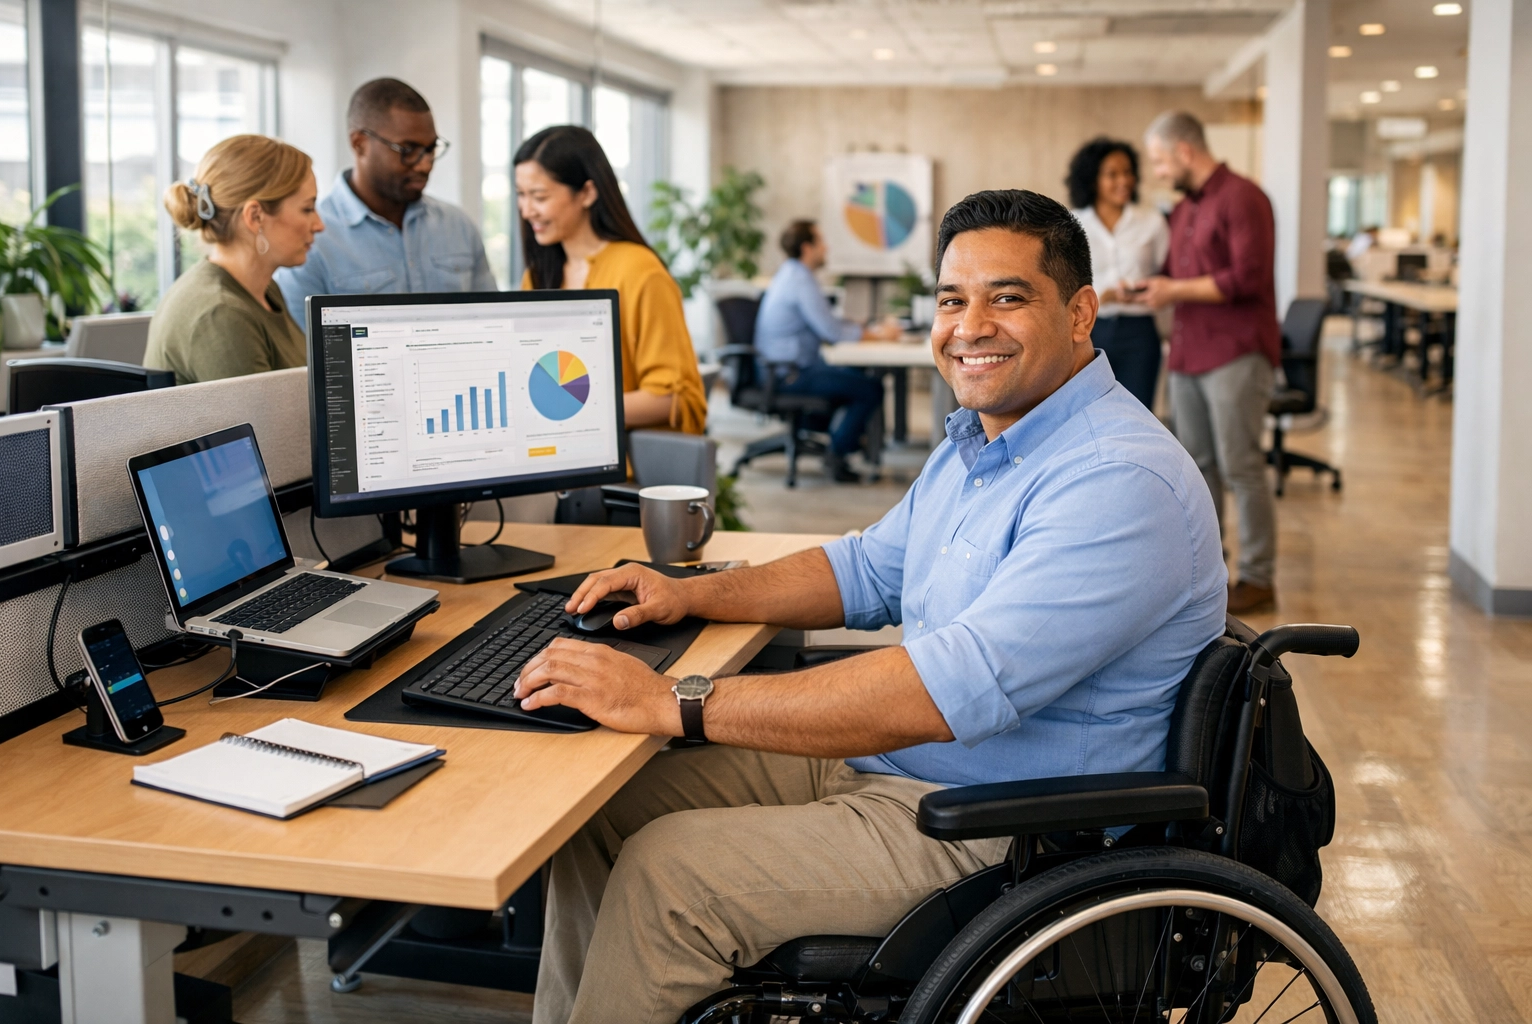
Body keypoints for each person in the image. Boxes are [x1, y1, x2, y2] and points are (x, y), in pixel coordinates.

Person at [512, 189, 1227, 1023]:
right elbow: (865, 570)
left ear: (1080, 314)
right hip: (897, 769)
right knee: (599, 819)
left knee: (668, 872)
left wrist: (676, 700)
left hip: (1008, 830)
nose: (970, 325)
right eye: (952, 299)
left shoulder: (1116, 479)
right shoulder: (987, 438)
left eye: (1007, 297)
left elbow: (940, 689)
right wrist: (690, 592)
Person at [1133, 110, 1280, 615]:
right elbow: (1176, 275)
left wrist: (1175, 289)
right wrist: (1143, 290)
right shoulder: (1187, 209)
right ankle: (1211, 572)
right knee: (1198, 468)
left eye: (1159, 160)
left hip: (1236, 350)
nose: (1157, 172)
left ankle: (1259, 577)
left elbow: (1248, 279)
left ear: (1184, 151)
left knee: (1241, 465)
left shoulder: (1243, 197)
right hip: (1190, 351)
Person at [515, 125, 706, 434]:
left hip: (622, 471)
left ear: (588, 193)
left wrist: (571, 406)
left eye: (539, 196)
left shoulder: (640, 271)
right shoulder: (537, 276)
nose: (526, 210)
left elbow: (674, 398)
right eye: (521, 195)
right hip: (551, 460)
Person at [275, 78, 495, 332]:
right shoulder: (310, 240)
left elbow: (492, 327)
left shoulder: (459, 226)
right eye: (407, 149)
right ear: (360, 144)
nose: (424, 164)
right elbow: (303, 358)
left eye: (430, 148)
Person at [144, 135, 322, 385]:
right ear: (255, 216)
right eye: (307, 209)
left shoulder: (263, 290)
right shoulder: (222, 315)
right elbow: (264, 423)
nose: (319, 225)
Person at [754, 219, 902, 482]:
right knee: (870, 388)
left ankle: (852, 442)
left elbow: (829, 323)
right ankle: (837, 453)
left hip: (783, 368)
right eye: (821, 242)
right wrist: (879, 334)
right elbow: (832, 332)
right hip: (789, 373)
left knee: (854, 375)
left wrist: (865, 328)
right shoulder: (800, 280)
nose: (827, 248)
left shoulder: (791, 274)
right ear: (807, 248)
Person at [1067, 137, 1169, 410]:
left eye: (1128, 172)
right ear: (1092, 179)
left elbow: (1167, 274)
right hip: (1087, 330)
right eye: (1112, 174)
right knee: (1087, 410)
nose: (1123, 180)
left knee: (1137, 412)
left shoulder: (1153, 222)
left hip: (1139, 333)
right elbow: (1063, 281)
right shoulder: (1072, 223)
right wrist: (1105, 295)